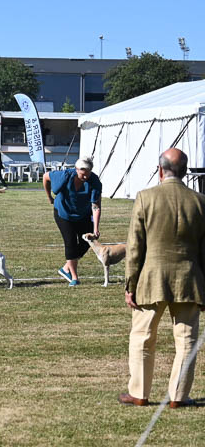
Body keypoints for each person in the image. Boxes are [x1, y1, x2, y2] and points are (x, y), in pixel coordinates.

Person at [118, 148, 205, 408]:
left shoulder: (145, 198)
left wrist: (130, 285)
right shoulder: (200, 201)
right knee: (187, 340)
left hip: (151, 279)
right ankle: (179, 396)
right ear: (185, 171)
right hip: (189, 280)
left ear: (160, 170)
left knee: (142, 338)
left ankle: (139, 393)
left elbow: (135, 247)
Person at [43, 156, 101, 286]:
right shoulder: (64, 176)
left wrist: (96, 228)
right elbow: (46, 177)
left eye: (88, 174)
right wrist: (49, 197)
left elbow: (96, 206)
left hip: (83, 214)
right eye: (82, 174)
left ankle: (66, 268)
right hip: (63, 213)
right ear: (76, 169)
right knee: (71, 242)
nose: (85, 177)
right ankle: (74, 277)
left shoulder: (94, 181)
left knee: (88, 241)